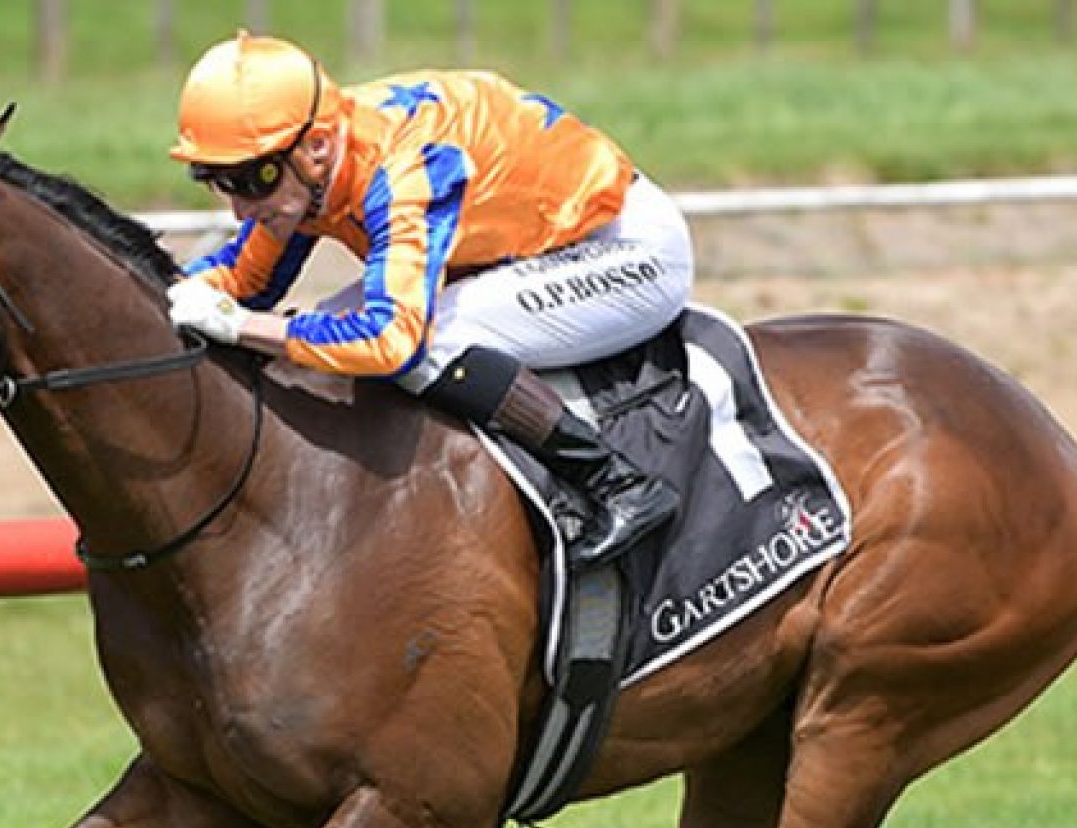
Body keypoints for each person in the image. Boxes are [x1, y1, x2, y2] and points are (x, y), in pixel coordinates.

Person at [165, 31, 691, 566]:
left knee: (431, 342)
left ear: (317, 146)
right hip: (524, 247)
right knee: (324, 327)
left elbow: (391, 339)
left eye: (252, 180)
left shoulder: (399, 170)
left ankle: (614, 481)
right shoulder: (310, 165)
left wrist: (241, 327)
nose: (239, 209)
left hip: (625, 249)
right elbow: (250, 278)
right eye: (217, 181)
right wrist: (175, 294)